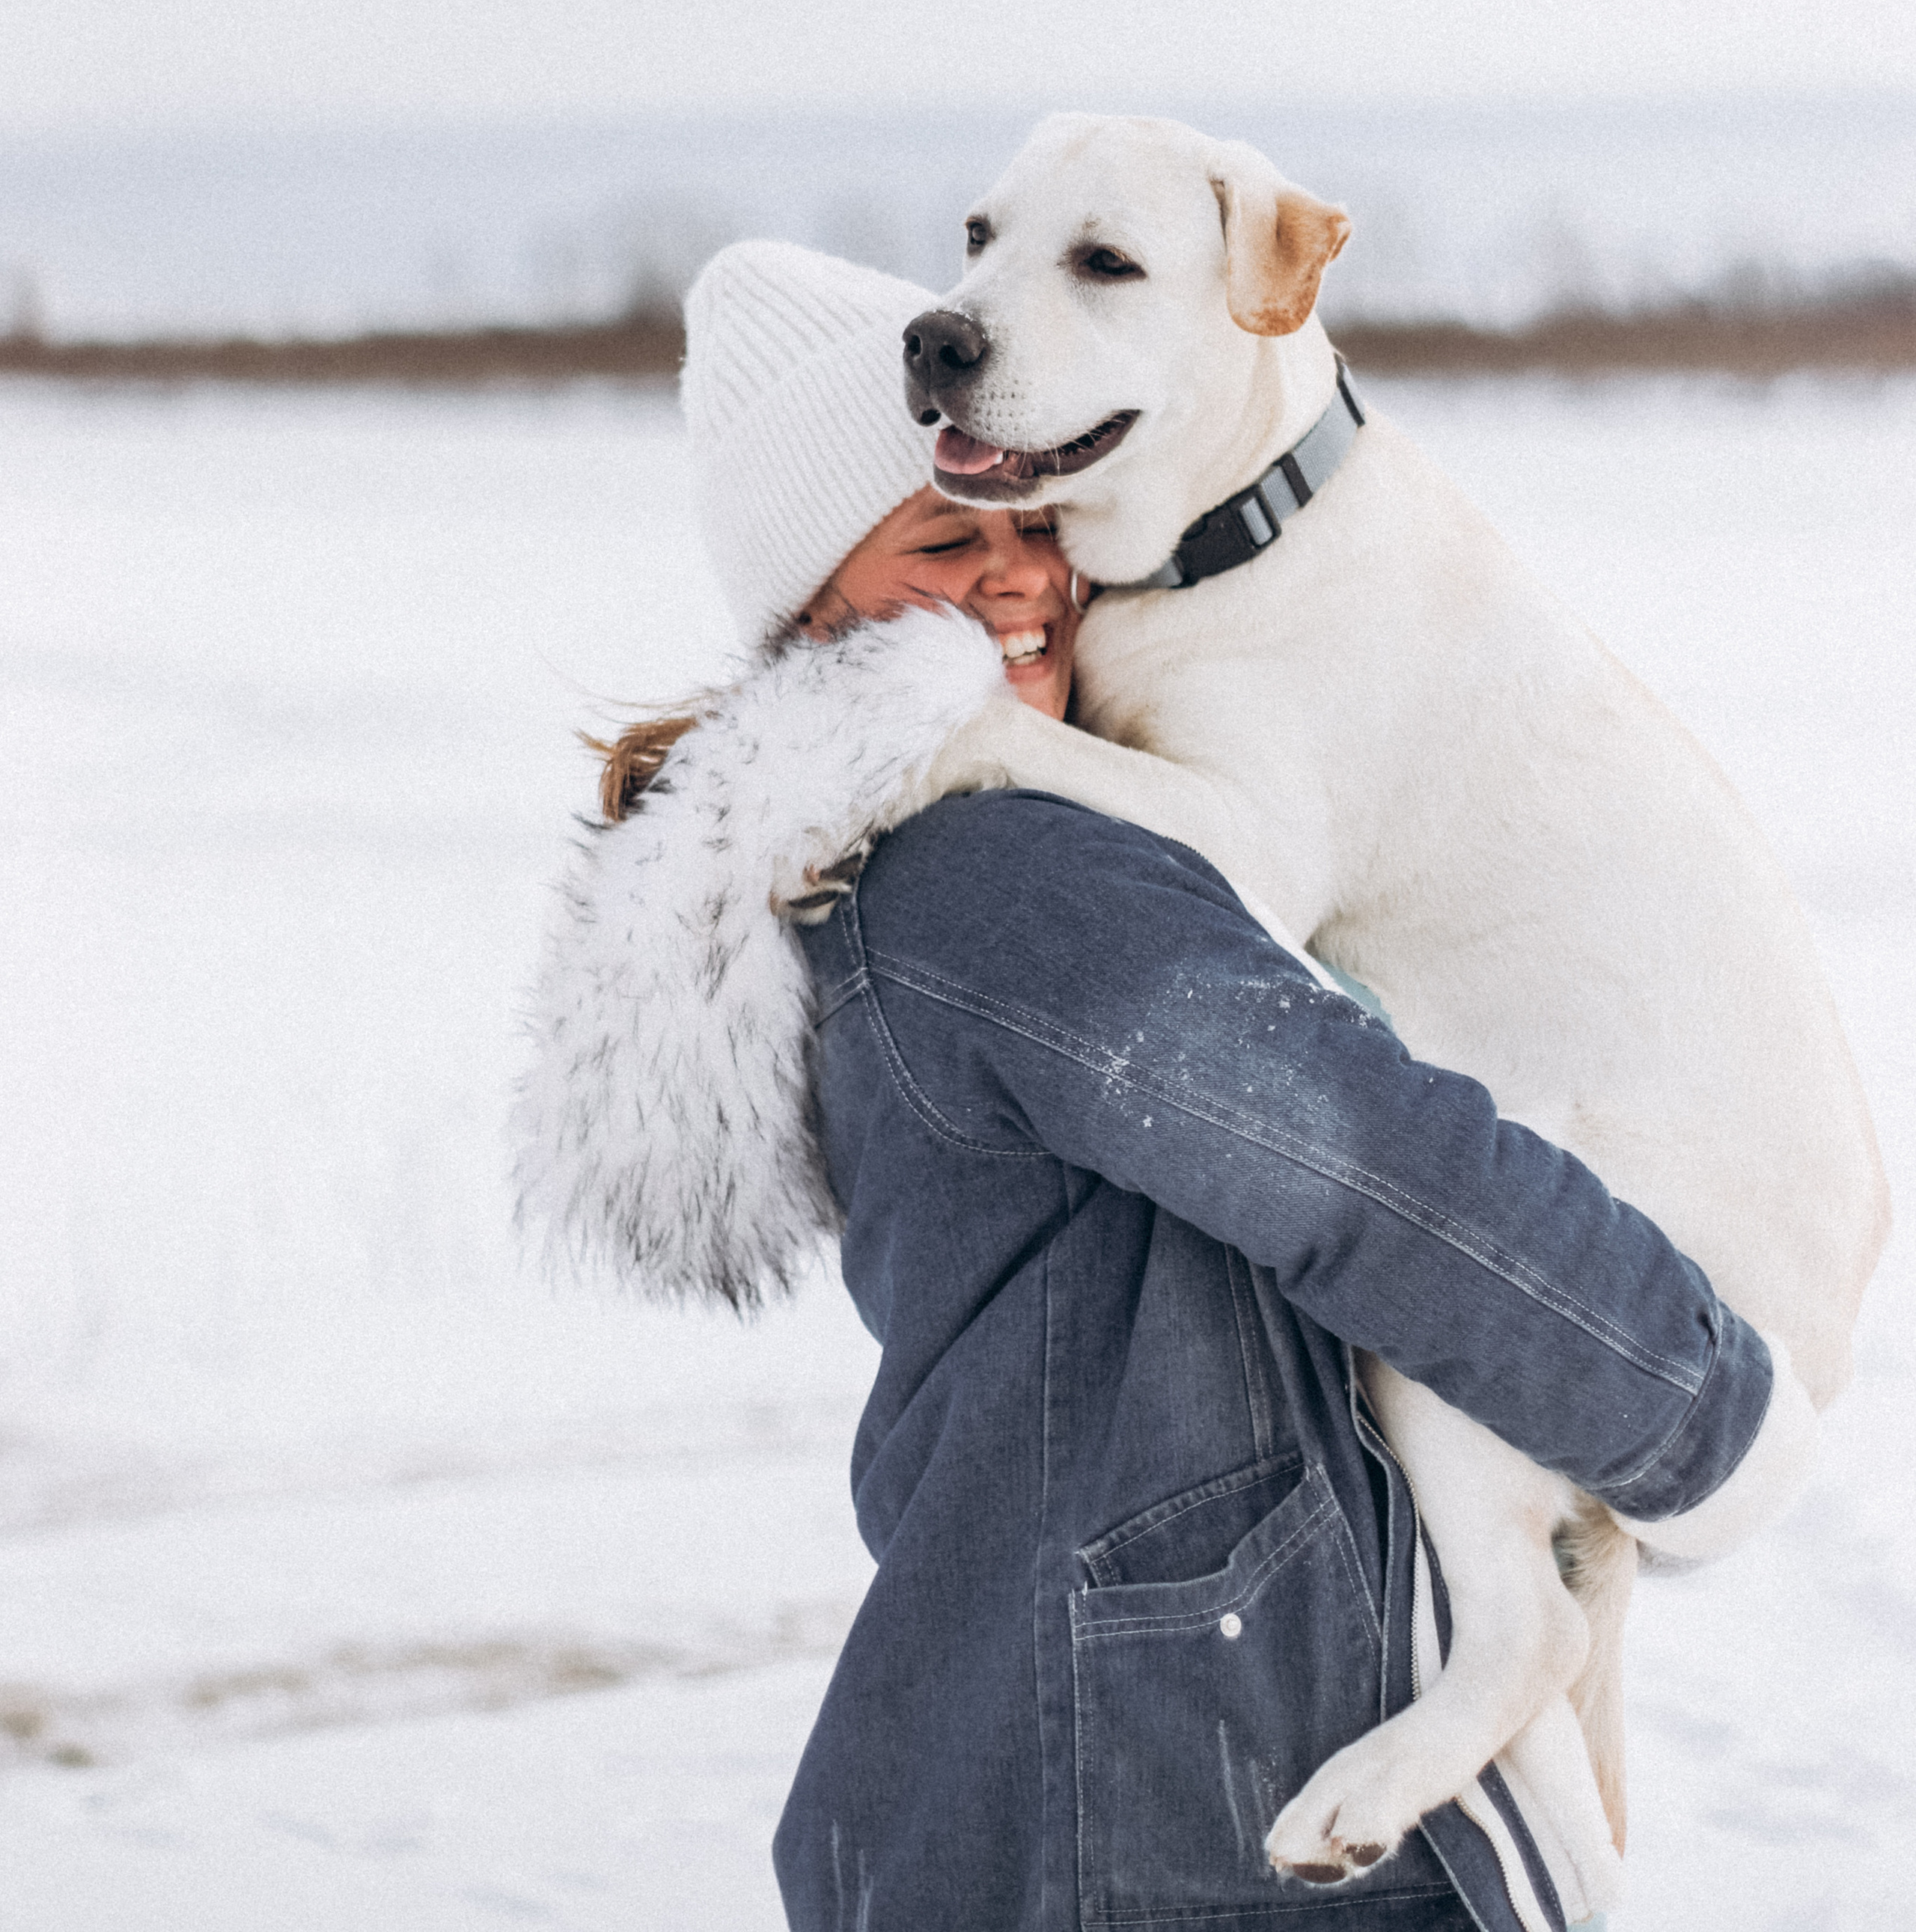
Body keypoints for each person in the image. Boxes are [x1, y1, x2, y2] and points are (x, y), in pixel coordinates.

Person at [515, 241, 1813, 1932]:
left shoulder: (922, 845)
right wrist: (1701, 1415)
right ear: (809, 607)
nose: (1022, 584)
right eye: (939, 546)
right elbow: (1360, 1165)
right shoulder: (997, 866)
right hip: (1168, 1803)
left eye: (1029, 529)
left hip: (1066, 1762)